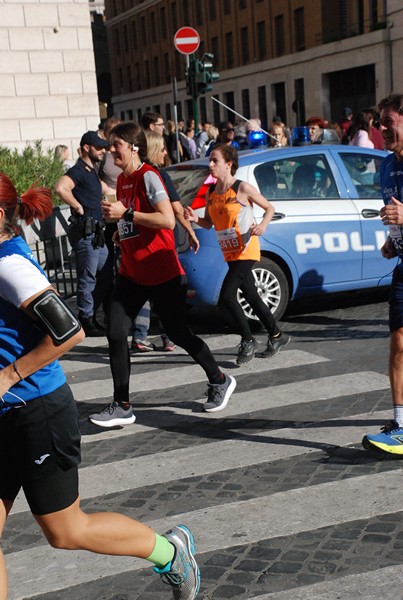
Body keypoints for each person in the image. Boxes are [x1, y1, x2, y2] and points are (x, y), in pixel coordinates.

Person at [0, 172, 200, 600]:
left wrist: (7, 375)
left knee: (66, 530)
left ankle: (171, 553)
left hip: (36, 414)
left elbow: (69, 331)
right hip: (4, 415)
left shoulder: (9, 265)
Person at [89, 122, 236, 427]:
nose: (110, 150)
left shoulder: (149, 176)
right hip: (132, 273)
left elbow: (167, 220)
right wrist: (121, 232)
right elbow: (137, 224)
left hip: (163, 272)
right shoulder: (122, 182)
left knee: (179, 332)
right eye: (109, 144)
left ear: (134, 147)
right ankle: (122, 405)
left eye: (116, 144)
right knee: (116, 332)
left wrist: (126, 215)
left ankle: (219, 378)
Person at [185, 144, 290, 365]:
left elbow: (269, 208)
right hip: (230, 252)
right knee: (251, 296)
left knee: (226, 298)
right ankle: (277, 335)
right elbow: (210, 224)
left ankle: (247, 340)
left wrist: (262, 225)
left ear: (229, 164)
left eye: (215, 161)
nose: (210, 165)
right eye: (210, 161)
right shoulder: (212, 192)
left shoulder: (242, 188)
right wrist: (195, 219)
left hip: (246, 249)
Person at [131, 132, 200, 353]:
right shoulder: (157, 175)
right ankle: (169, 336)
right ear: (153, 150)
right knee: (165, 291)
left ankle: (140, 336)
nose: (165, 153)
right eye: (162, 149)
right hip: (159, 246)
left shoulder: (134, 175)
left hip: (138, 246)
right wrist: (190, 231)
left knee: (144, 291)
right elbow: (177, 210)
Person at [362, 93, 403, 456]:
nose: (381, 128)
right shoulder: (387, 165)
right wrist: (392, 241)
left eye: (388, 121)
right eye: (379, 122)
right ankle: (401, 423)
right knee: (399, 343)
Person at [55, 131, 114, 337]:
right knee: (87, 278)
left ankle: (90, 314)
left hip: (97, 234)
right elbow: (61, 188)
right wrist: (77, 206)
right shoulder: (78, 170)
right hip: (87, 233)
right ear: (87, 148)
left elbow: (107, 189)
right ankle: (85, 320)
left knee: (105, 275)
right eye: (99, 147)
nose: (103, 151)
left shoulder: (92, 171)